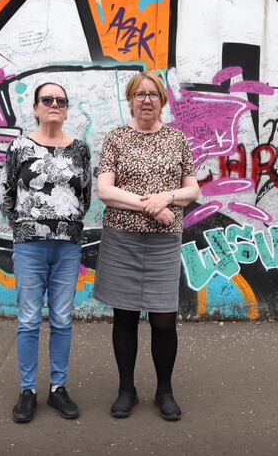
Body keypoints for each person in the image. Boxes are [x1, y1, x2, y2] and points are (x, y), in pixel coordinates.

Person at [94, 71, 199, 421]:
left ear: (162, 101)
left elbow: (192, 190)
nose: (146, 100)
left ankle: (164, 391)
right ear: (130, 99)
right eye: (139, 94)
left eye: (153, 94)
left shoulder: (177, 139)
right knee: (124, 317)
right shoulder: (116, 140)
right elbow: (105, 191)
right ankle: (127, 389)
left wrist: (167, 197)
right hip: (122, 239)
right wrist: (152, 206)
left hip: (163, 244)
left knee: (164, 321)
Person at [0, 82, 92, 423]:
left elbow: (85, 196)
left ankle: (58, 389)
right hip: (29, 246)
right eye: (47, 100)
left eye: (61, 101)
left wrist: (67, 224)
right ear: (35, 108)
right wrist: (23, 225)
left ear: (66, 109)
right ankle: (27, 391)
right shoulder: (19, 147)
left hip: (67, 246)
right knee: (28, 319)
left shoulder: (79, 149)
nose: (54, 104)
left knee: (63, 319)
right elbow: (5, 193)